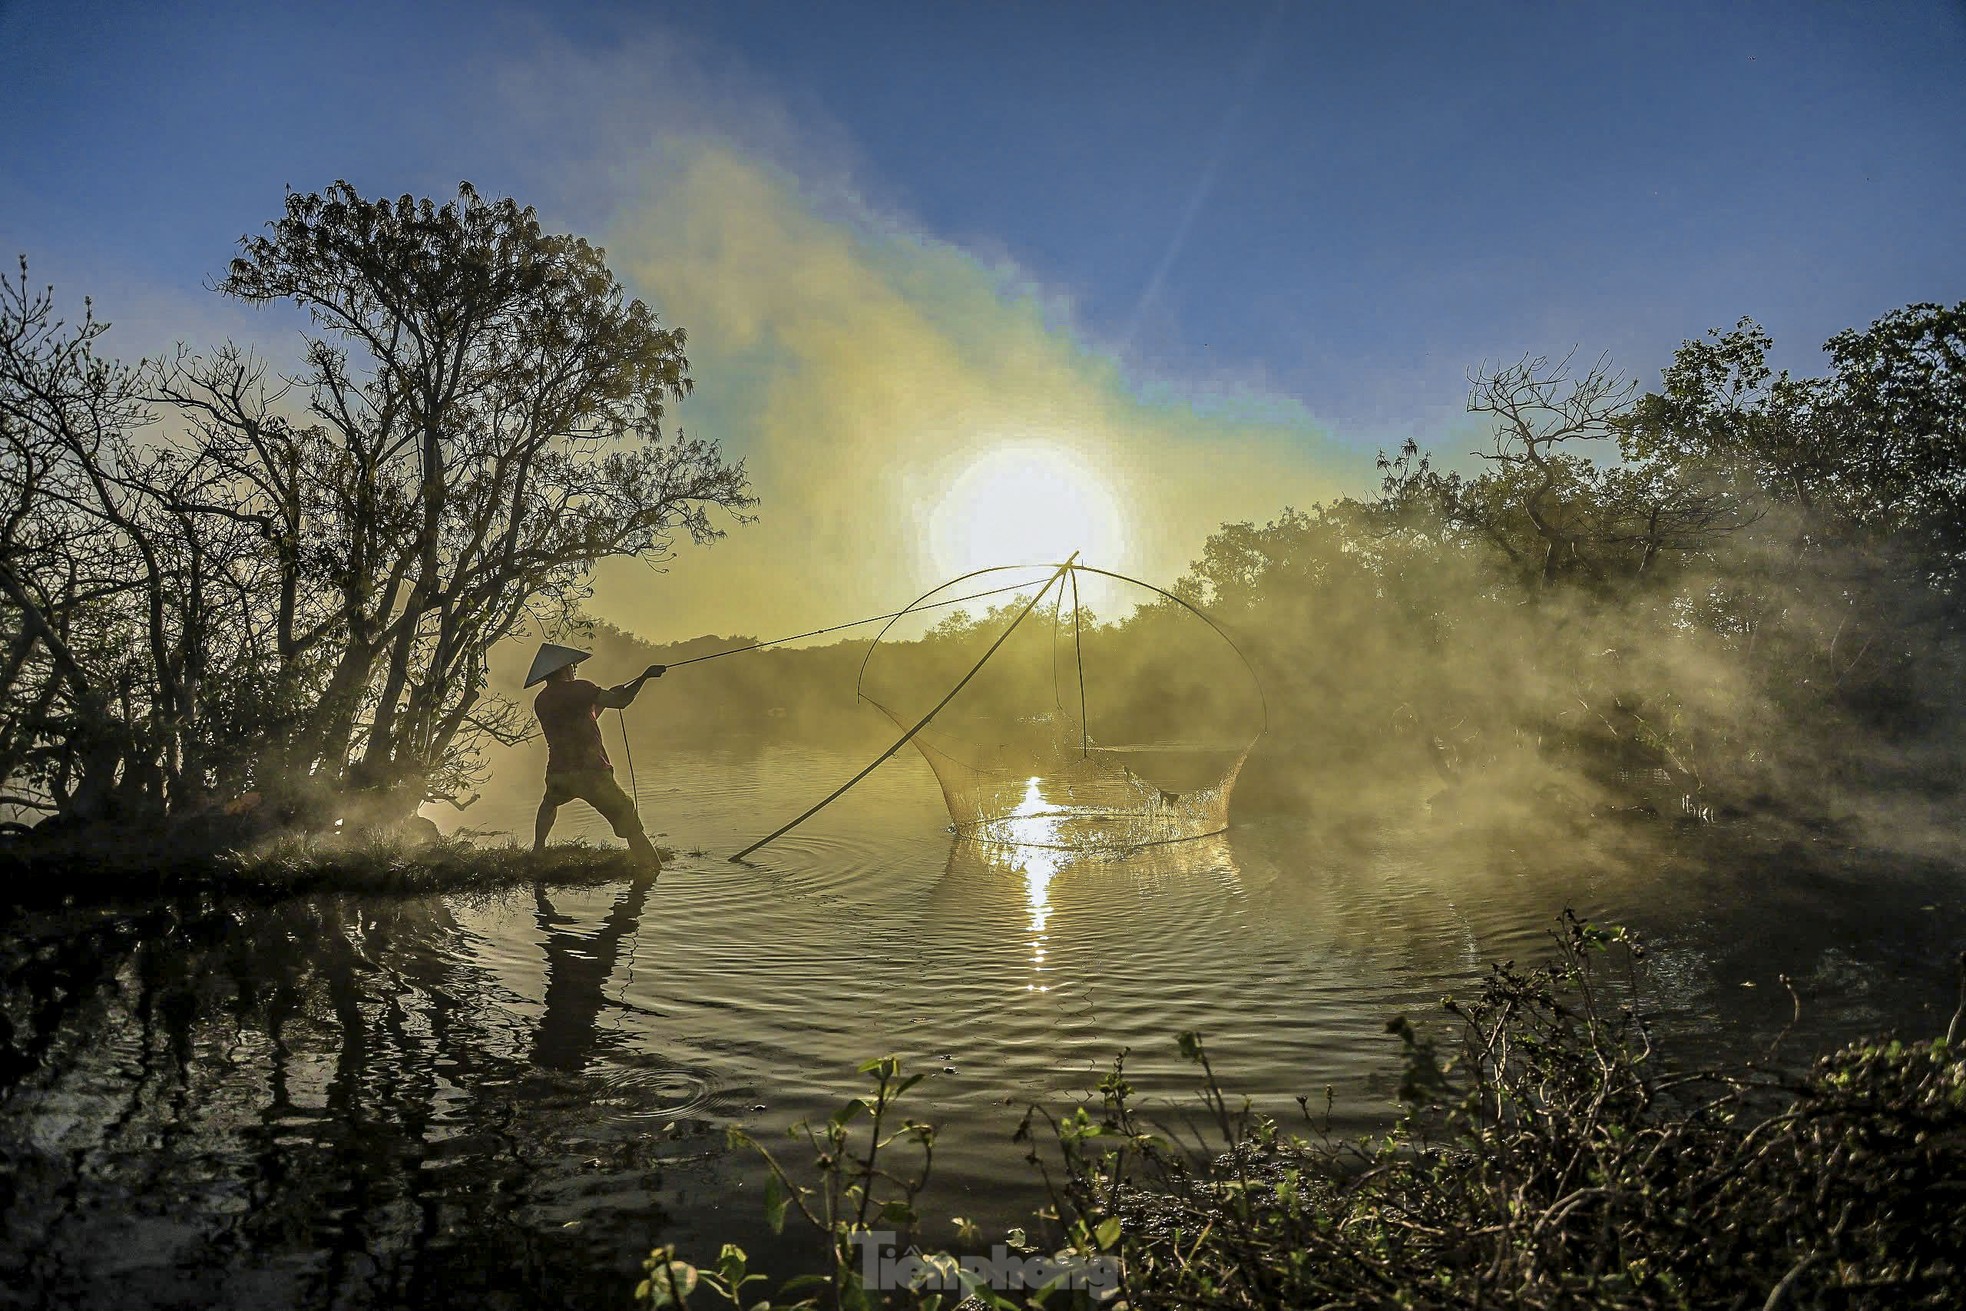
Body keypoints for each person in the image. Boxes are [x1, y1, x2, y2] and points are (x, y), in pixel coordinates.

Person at [525, 643, 666, 865]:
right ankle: (650, 869)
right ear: (564, 668)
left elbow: (583, 719)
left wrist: (601, 702)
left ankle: (537, 850)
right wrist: (645, 677)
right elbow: (622, 701)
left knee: (549, 803)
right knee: (627, 817)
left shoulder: (542, 700)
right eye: (572, 666)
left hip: (560, 770)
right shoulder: (580, 689)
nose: (574, 670)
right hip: (592, 771)